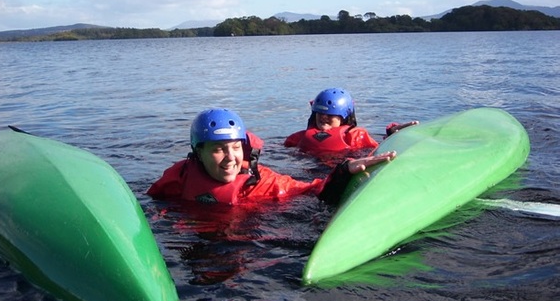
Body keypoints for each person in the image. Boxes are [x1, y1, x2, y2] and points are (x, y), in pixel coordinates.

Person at [147, 108, 396, 206]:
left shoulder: (262, 182)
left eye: (235, 147)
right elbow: (151, 202)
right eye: (217, 149)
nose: (229, 158)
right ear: (198, 152)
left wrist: (345, 169)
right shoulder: (178, 177)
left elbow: (314, 190)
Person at [284, 87, 418, 157]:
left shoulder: (355, 135)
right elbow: (284, 148)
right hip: (314, 170)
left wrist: (392, 135)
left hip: (343, 166)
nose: (324, 117)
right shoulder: (300, 137)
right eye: (320, 113)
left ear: (343, 117)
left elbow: (378, 149)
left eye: (330, 114)